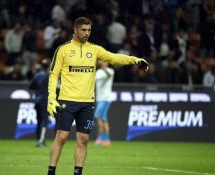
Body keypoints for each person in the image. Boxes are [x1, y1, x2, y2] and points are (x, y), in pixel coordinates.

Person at [46, 17, 149, 175]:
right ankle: (51, 172)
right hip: (67, 100)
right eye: (83, 30)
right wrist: (51, 98)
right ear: (75, 30)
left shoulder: (94, 49)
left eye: (89, 30)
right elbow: (54, 75)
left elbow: (114, 57)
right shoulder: (63, 49)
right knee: (61, 137)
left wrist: (135, 60)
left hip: (87, 102)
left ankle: (77, 173)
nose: (87, 33)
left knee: (83, 139)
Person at [29, 59, 50, 147]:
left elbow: (31, 86)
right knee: (45, 120)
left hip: (37, 100)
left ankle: (39, 140)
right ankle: (41, 141)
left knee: (39, 121)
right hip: (45, 100)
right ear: (49, 66)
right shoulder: (49, 75)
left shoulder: (36, 75)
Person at [94, 61, 114, 146]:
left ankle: (102, 138)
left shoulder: (110, 71)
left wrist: (103, 68)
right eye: (102, 62)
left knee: (99, 116)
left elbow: (109, 75)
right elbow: (93, 82)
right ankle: (105, 139)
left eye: (105, 62)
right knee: (103, 118)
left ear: (107, 63)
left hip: (106, 98)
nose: (103, 63)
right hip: (99, 98)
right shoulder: (98, 72)